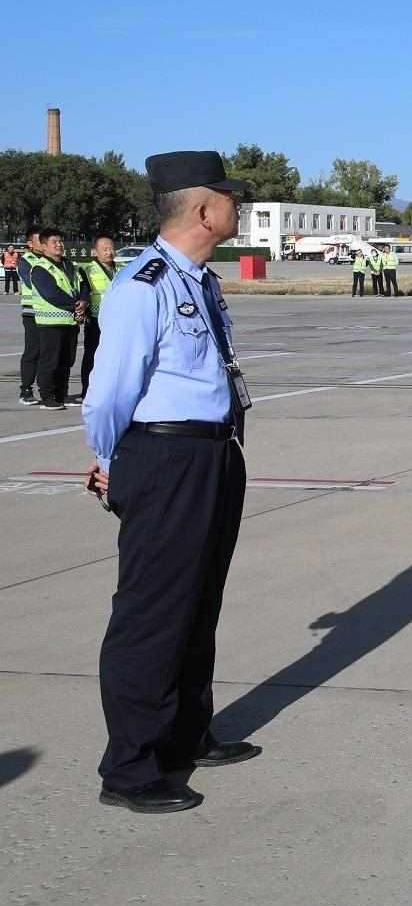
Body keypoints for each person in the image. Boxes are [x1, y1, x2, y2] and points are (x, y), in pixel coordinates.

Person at [84, 150, 259, 814]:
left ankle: (187, 733)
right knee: (152, 614)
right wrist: (111, 459)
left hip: (214, 454)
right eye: (231, 197)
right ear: (204, 209)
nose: (238, 207)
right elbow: (108, 393)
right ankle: (131, 766)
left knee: (198, 603)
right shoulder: (144, 285)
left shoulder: (200, 281)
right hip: (165, 457)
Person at [24, 230, 85, 411]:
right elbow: (51, 294)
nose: (59, 245)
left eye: (60, 241)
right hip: (50, 323)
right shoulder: (40, 268)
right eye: (54, 242)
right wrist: (75, 305)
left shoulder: (70, 265)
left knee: (66, 361)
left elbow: (82, 285)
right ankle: (47, 397)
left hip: (70, 322)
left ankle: (61, 394)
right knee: (50, 361)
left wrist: (84, 301)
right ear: (43, 246)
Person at [79, 236, 118, 399]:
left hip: (117, 321)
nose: (109, 252)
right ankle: (87, 390)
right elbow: (83, 293)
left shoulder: (122, 269)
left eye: (111, 248)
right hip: (95, 320)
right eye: (105, 249)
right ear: (95, 251)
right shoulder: (87, 269)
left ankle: (110, 390)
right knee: (92, 355)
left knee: (114, 357)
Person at [17, 228, 42, 405]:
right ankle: (26, 389)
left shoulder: (53, 260)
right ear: (30, 243)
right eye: (39, 240)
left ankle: (49, 389)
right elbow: (33, 283)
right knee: (32, 351)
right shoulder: (26, 260)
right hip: (32, 312)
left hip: (53, 314)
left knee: (49, 353)